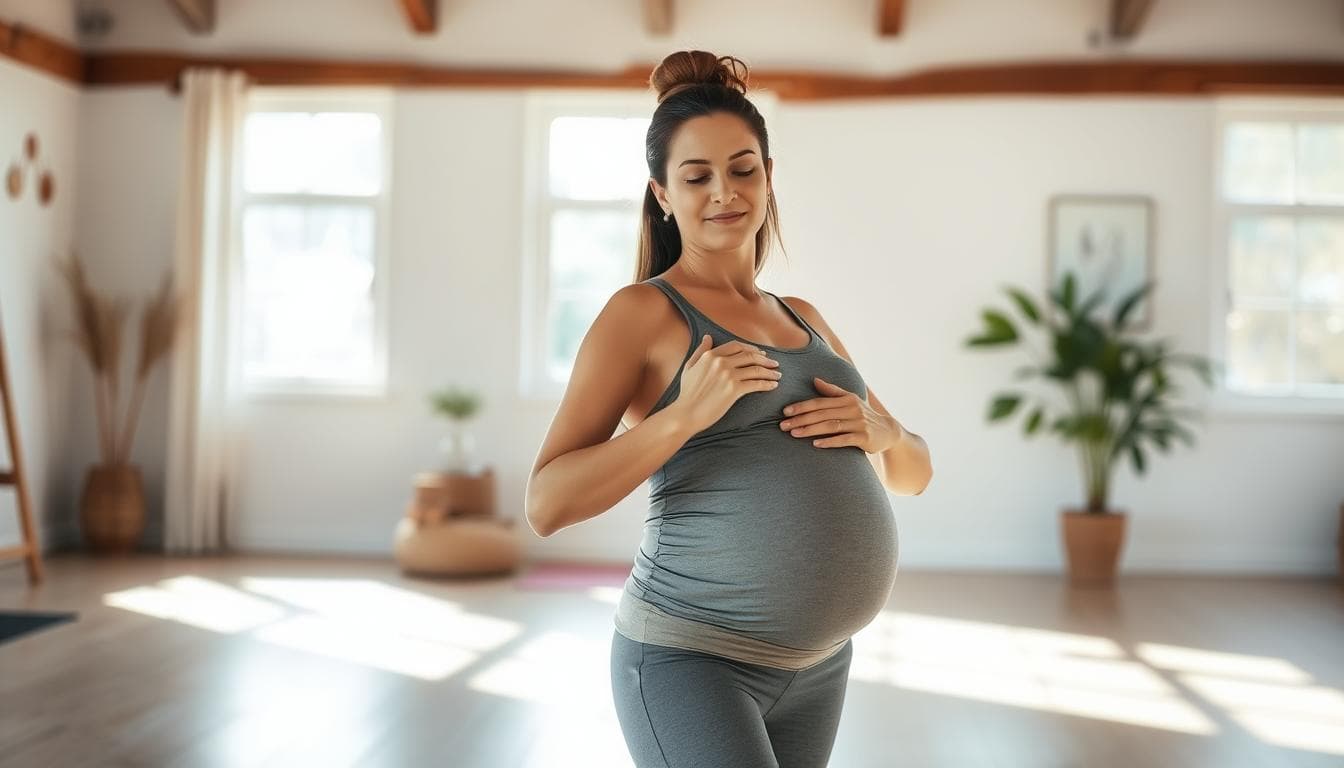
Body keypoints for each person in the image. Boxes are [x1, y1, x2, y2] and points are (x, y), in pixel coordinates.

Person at [525, 50, 933, 768]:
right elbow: (546, 503)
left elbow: (913, 475)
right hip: (690, 658)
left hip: (820, 665)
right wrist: (680, 417)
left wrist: (886, 431)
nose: (725, 192)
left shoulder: (803, 317)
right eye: (697, 176)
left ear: (769, 178)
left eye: (744, 169)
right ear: (661, 194)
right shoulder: (642, 314)